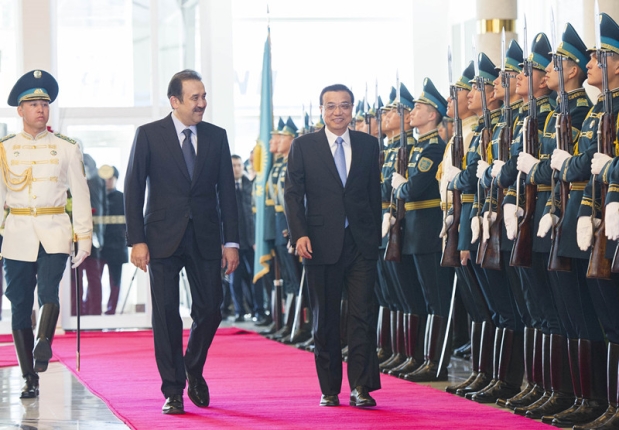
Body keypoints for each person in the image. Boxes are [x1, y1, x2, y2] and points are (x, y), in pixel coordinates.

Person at [124, 69, 239, 415]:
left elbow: (227, 193)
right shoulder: (149, 134)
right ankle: (173, 390)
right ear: (175, 101)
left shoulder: (216, 136)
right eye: (195, 98)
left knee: (211, 308)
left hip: (205, 236)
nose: (202, 103)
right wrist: (136, 240)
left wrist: (231, 242)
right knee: (166, 316)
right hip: (161, 238)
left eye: (204, 97)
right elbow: (133, 189)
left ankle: (192, 365)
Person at [285, 83, 381, 407]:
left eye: (344, 105)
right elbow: (292, 195)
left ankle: (361, 387)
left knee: (362, 315)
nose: (338, 112)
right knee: (325, 317)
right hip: (319, 243)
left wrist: (374, 237)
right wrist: (299, 234)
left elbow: (373, 194)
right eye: (331, 106)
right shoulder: (303, 146)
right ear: (322, 110)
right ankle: (329, 388)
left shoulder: (368, 145)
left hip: (360, 243)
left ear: (352, 109)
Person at [2, 70, 92, 399]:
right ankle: (30, 376)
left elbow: (80, 195)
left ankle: (43, 342)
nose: (41, 109)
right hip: (18, 233)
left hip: (54, 230)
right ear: (20, 110)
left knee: (49, 290)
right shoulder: (5, 149)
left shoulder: (66, 148)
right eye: (33, 104)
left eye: (44, 104)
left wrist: (84, 238)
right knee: (19, 303)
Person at [229, 154, 268, 325]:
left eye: (239, 165)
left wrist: (256, 239)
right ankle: (239, 311)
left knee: (256, 277)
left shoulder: (251, 185)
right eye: (233, 165)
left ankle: (259, 310)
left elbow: (256, 215)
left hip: (252, 241)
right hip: (234, 242)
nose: (237, 168)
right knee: (235, 280)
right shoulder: (224, 187)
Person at [98, 165, 128, 315]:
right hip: (99, 247)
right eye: (104, 179)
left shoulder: (123, 198)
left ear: (116, 179)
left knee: (115, 281)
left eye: (110, 178)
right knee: (95, 280)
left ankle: (112, 311)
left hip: (117, 246)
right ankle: (92, 311)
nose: (107, 181)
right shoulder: (96, 198)